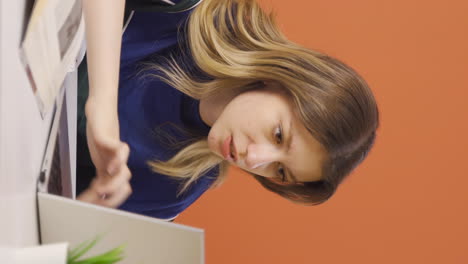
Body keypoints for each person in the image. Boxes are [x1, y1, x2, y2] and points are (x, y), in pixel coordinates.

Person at [77, 0, 379, 221]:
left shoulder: (179, 187)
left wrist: (83, 211)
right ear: (283, 80)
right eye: (278, 135)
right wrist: (102, 102)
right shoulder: (204, 12)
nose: (256, 160)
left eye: (280, 171)